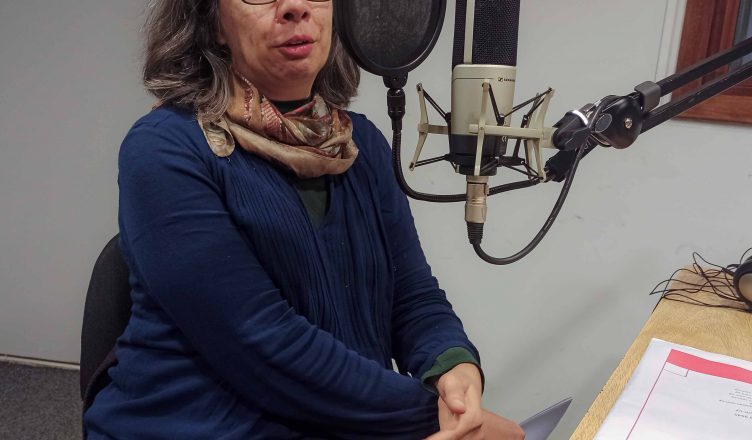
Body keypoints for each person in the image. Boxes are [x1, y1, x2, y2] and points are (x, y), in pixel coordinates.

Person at [83, 0, 524, 438]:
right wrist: (436, 418)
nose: (295, 6)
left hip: (342, 422)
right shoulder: (163, 149)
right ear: (213, 22)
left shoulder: (361, 144)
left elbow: (412, 297)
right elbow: (262, 345)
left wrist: (454, 369)